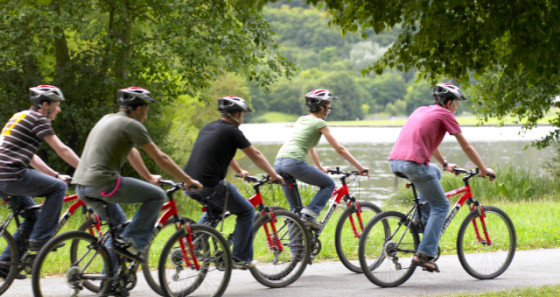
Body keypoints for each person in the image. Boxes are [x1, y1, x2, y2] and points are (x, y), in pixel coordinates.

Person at [72, 86, 202, 265]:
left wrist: (148, 177)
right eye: (147, 110)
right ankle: (133, 244)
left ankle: (111, 281)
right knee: (157, 196)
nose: (147, 116)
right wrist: (187, 180)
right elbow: (161, 158)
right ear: (139, 109)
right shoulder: (132, 125)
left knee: (119, 230)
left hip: (82, 186)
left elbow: (132, 152)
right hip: (105, 184)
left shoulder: (108, 119)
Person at [388, 83, 496, 273]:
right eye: (456, 103)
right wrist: (483, 168)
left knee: (435, 171)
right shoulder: (445, 115)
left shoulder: (422, 110)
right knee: (441, 206)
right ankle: (424, 254)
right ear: (448, 102)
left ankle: (418, 220)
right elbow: (467, 146)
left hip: (395, 162)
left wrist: (445, 164)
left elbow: (428, 142)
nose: (457, 107)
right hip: (413, 165)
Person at [184, 96, 283, 269]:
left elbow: (222, 152)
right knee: (246, 211)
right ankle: (239, 257)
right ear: (236, 114)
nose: (243, 118)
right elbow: (255, 155)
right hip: (210, 185)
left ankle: (195, 243)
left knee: (215, 210)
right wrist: (274, 174)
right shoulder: (232, 131)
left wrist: (238, 171)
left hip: (189, 183)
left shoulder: (210, 127)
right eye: (243, 115)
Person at [0, 85, 80, 278]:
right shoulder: (38, 119)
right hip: (11, 175)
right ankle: (42, 239)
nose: (59, 110)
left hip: (3, 175)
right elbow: (62, 150)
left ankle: (5, 263)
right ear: (45, 105)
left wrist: (54, 175)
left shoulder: (20, 116)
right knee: (59, 189)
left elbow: (32, 158)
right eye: (57, 105)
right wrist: (87, 170)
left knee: (31, 215)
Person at [274, 89, 369, 229]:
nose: (329, 110)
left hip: (279, 163)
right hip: (294, 163)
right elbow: (339, 149)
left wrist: (319, 167)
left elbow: (310, 146)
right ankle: (309, 215)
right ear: (323, 107)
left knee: (295, 212)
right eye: (329, 106)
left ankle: (298, 250)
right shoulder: (320, 124)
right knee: (329, 184)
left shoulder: (302, 119)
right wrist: (360, 168)